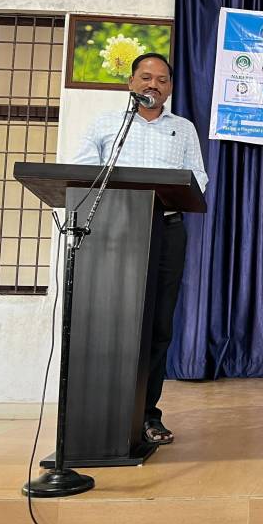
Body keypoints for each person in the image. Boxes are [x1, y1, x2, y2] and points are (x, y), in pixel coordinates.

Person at [72, 52, 208, 445]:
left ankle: (146, 414)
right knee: (107, 322)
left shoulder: (183, 128)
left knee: (158, 325)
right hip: (112, 234)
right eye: (146, 77)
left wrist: (172, 190)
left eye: (162, 80)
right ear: (130, 82)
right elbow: (83, 172)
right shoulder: (107, 125)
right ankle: (98, 414)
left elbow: (199, 177)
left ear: (170, 88)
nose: (154, 85)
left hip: (167, 231)